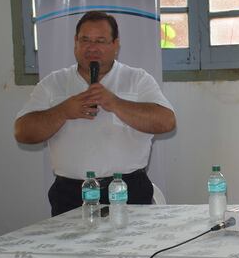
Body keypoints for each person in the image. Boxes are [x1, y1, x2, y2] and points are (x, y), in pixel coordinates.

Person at [15, 11, 176, 216]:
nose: (92, 48)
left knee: (132, 249)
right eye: (85, 40)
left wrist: (115, 103)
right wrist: (64, 111)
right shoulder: (54, 83)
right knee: (67, 249)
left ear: (116, 45)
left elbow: (167, 121)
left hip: (127, 191)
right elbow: (22, 132)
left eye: (100, 40)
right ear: (75, 42)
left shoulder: (137, 79)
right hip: (70, 195)